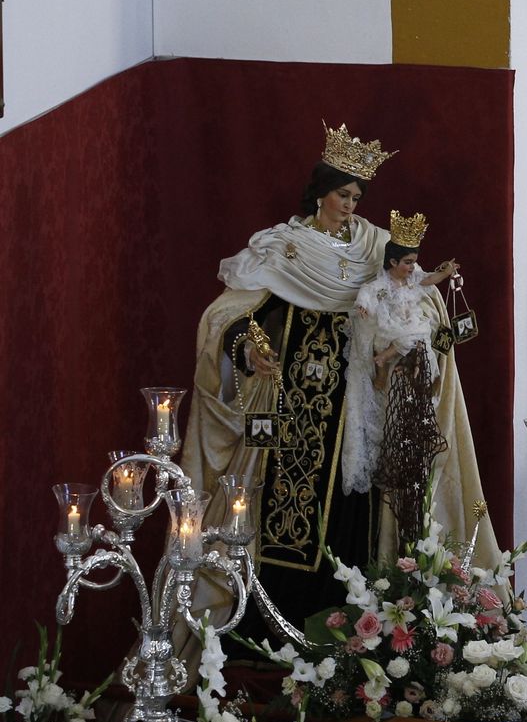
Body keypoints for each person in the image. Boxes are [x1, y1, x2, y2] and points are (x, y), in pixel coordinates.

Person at [180, 123, 498, 642]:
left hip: (360, 399)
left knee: (359, 511)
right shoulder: (285, 248)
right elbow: (234, 314)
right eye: (342, 194)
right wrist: (250, 346)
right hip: (295, 402)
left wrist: (421, 323)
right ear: (320, 193)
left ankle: (355, 626)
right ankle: (280, 629)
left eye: (356, 196)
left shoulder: (375, 246)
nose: (350, 205)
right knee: (288, 516)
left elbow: (412, 290)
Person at [342, 210, 461, 547]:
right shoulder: (381, 284)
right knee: (408, 340)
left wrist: (445, 271)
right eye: (407, 262)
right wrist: (364, 308)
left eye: (414, 262)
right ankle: (382, 361)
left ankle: (413, 373)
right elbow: (365, 295)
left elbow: (428, 281)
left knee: (421, 341)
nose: (412, 268)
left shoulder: (412, 280)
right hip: (390, 329)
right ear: (392, 261)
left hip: (410, 330)